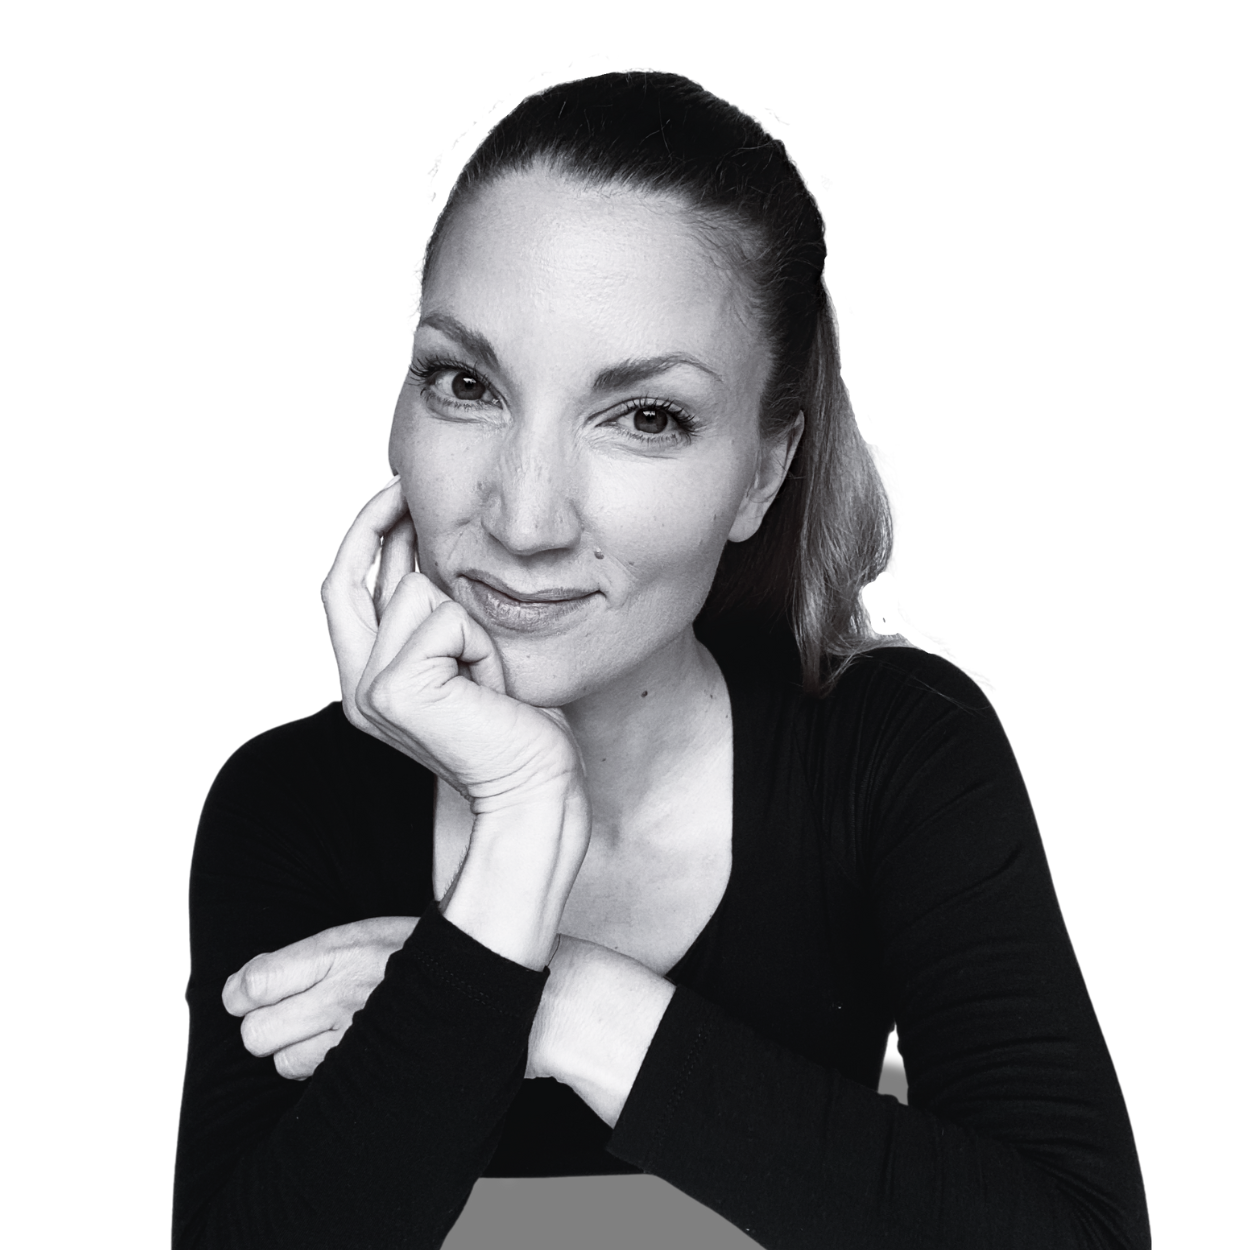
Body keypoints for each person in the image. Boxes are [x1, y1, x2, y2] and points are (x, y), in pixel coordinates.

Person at [172, 71, 1150, 1249]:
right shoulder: (292, 806)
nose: (525, 517)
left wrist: (560, 1000)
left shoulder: (887, 751)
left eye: (644, 417)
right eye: (466, 384)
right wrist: (517, 826)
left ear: (761, 473)